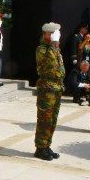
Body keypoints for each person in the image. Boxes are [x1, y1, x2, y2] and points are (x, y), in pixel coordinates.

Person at [34, 22, 65, 161]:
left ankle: (47, 145)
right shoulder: (42, 49)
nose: (56, 36)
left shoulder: (55, 49)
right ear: (47, 34)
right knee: (44, 119)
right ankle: (40, 148)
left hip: (57, 88)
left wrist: (55, 46)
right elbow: (46, 66)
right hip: (47, 88)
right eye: (53, 33)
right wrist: (53, 45)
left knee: (52, 119)